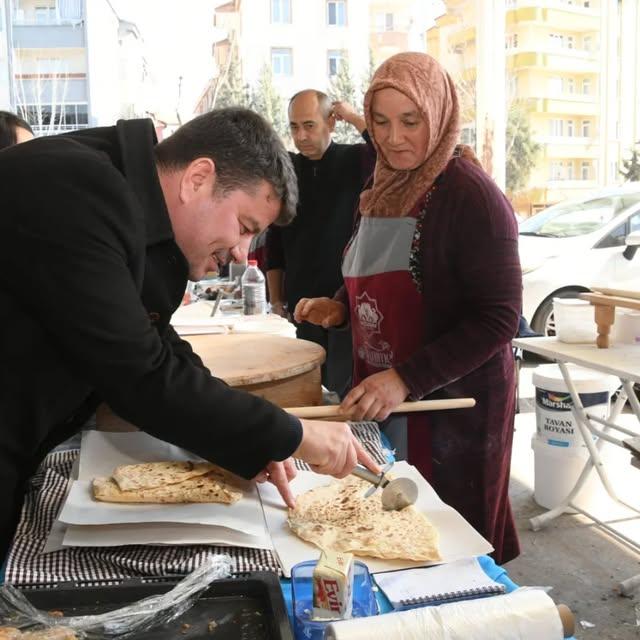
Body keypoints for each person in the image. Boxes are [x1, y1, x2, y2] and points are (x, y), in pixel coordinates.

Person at [0, 108, 379, 559]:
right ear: (198, 178)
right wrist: (294, 434)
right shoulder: (76, 189)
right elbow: (140, 374)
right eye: (243, 228)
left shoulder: (130, 207)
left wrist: (254, 441)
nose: (241, 253)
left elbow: (160, 343)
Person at [294, 53, 522, 564]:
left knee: (448, 548)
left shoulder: (471, 196)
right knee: (389, 536)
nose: (393, 137)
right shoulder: (381, 187)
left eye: (410, 121)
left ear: (439, 116)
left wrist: (405, 378)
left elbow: (499, 317)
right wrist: (339, 307)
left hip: (451, 407)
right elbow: (377, 270)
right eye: (380, 121)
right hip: (384, 397)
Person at [266, 90, 375, 396]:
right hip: (300, 309)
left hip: (346, 307)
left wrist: (354, 117)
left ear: (331, 122)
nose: (300, 135)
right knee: (307, 392)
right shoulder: (287, 170)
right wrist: (277, 301)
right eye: (293, 126)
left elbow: (385, 148)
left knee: (344, 391)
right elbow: (276, 241)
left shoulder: (356, 160)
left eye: (309, 125)